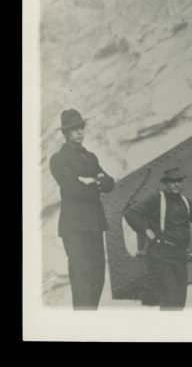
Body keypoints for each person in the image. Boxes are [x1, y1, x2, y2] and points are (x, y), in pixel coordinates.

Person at [123, 167, 192, 310]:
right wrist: (147, 231)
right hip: (161, 256)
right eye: (173, 182)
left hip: (180, 256)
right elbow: (131, 214)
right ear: (166, 184)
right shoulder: (157, 199)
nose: (177, 184)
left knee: (179, 301)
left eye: (179, 181)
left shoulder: (185, 201)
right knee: (169, 299)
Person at [49, 109, 115, 310]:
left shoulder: (91, 157)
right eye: (74, 129)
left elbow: (110, 183)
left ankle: (89, 322)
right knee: (82, 281)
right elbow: (72, 189)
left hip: (94, 225)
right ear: (65, 133)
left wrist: (90, 181)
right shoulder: (58, 159)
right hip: (75, 228)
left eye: (81, 128)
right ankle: (80, 326)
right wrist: (97, 183)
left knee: (97, 278)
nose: (79, 133)